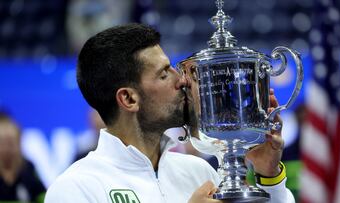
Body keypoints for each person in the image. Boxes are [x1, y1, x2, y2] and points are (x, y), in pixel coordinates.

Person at [45, 23, 294, 203]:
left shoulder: (200, 172)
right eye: (164, 74)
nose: (183, 81)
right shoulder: (75, 189)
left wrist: (267, 174)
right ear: (129, 99)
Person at [0, 111, 46, 202]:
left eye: (11, 143)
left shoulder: (28, 168)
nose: (7, 149)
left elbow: (44, 197)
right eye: (3, 143)